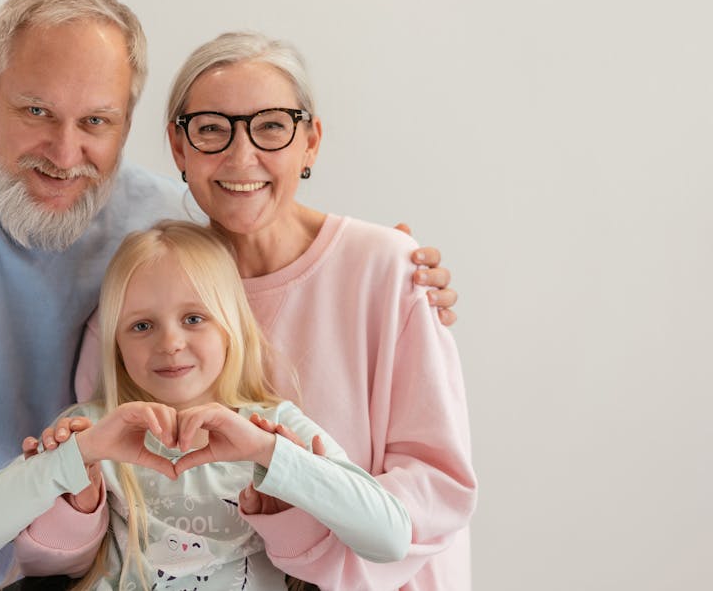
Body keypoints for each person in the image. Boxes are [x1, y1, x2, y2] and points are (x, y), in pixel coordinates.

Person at [0, 0, 457, 591]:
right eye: (36, 110)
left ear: (126, 126)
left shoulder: (160, 225)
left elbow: (257, 213)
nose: (63, 151)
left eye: (96, 121)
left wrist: (391, 258)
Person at [68, 32, 476, 590]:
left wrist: (307, 558)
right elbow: (105, 492)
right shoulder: (144, 290)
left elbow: (438, 485)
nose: (242, 156)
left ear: (310, 142)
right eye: (212, 128)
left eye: (272, 126)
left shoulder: (390, 269)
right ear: (179, 147)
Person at [0, 221, 413, 590]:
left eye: (194, 318)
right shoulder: (91, 429)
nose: (170, 343)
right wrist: (77, 457)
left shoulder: (272, 427)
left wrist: (273, 456)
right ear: (115, 344)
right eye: (141, 326)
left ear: (231, 326)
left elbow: (391, 537)